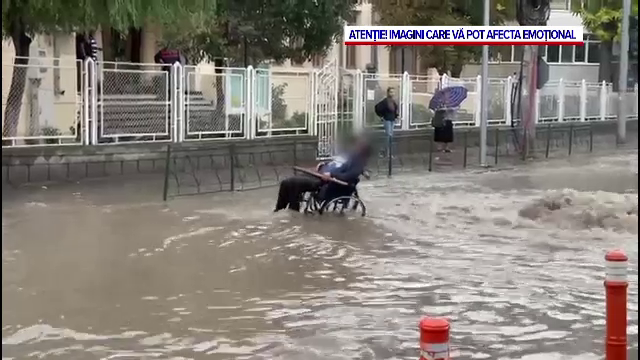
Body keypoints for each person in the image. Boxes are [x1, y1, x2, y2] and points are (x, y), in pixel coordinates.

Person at [274, 136, 372, 212]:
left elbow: (348, 177)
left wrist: (332, 175)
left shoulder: (358, 162)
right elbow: (335, 164)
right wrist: (323, 165)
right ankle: (279, 209)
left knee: (293, 183)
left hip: (325, 181)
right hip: (317, 174)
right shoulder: (347, 156)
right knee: (285, 182)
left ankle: (293, 212)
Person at [374, 87, 399, 157]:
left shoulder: (393, 101)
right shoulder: (385, 101)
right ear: (388, 93)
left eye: (393, 92)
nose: (392, 93)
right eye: (391, 92)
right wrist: (381, 116)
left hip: (392, 120)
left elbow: (395, 110)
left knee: (390, 137)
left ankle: (387, 152)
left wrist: (396, 116)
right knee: (389, 136)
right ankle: (385, 152)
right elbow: (377, 107)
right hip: (387, 120)